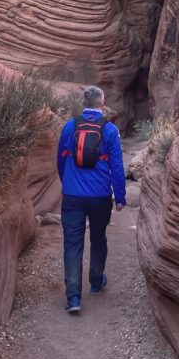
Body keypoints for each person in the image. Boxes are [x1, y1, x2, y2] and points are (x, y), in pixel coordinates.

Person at [56, 85, 126, 314]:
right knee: (98, 238)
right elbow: (116, 166)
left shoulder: (69, 127)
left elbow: (60, 160)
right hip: (99, 195)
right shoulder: (110, 130)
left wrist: (67, 183)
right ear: (101, 103)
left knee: (72, 243)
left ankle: (74, 298)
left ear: (83, 103)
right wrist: (120, 196)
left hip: (72, 195)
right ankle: (96, 281)